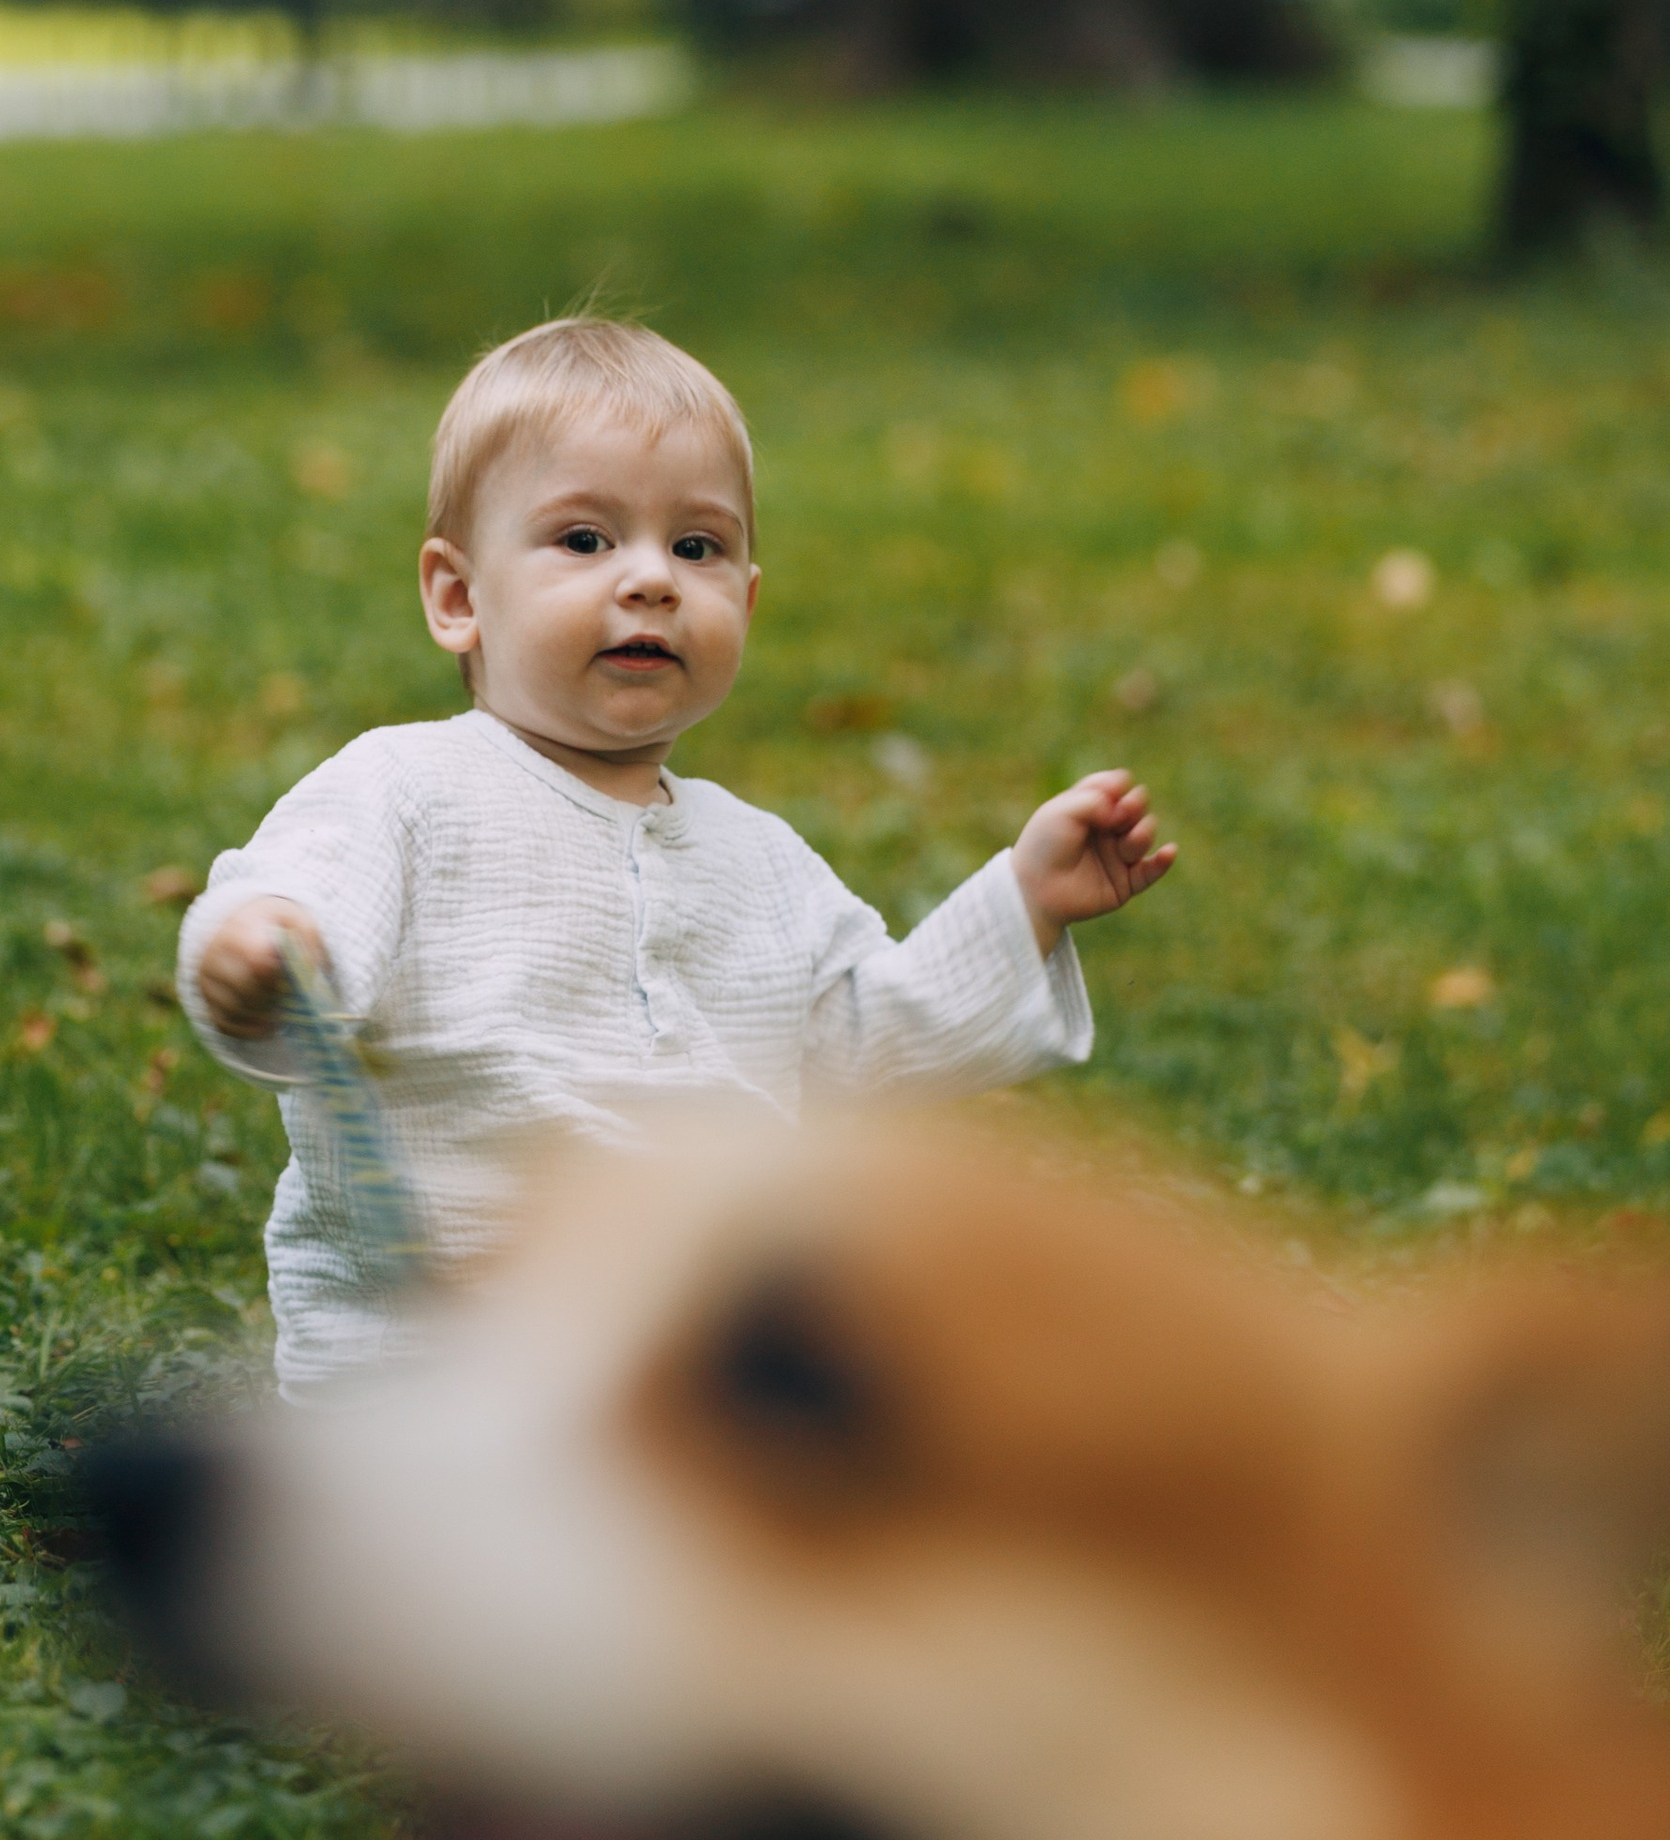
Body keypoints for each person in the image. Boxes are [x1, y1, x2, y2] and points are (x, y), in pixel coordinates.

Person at [179, 316, 1175, 1391]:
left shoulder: (762, 859)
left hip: (694, 1373)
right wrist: (258, 956)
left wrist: (1024, 902)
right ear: (458, 597)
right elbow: (298, 906)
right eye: (584, 539)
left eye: (696, 547)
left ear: (744, 600)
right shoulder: (402, 792)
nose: (652, 578)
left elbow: (858, 1049)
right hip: (437, 1366)